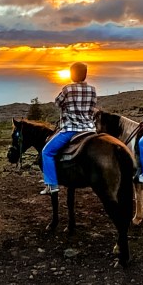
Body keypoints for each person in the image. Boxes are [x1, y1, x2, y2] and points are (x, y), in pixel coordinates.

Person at [40, 62, 97, 195]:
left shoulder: (67, 89)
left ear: (72, 74)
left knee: (46, 152)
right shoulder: (92, 89)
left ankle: (52, 185)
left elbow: (57, 103)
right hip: (90, 129)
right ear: (85, 74)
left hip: (71, 129)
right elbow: (92, 107)